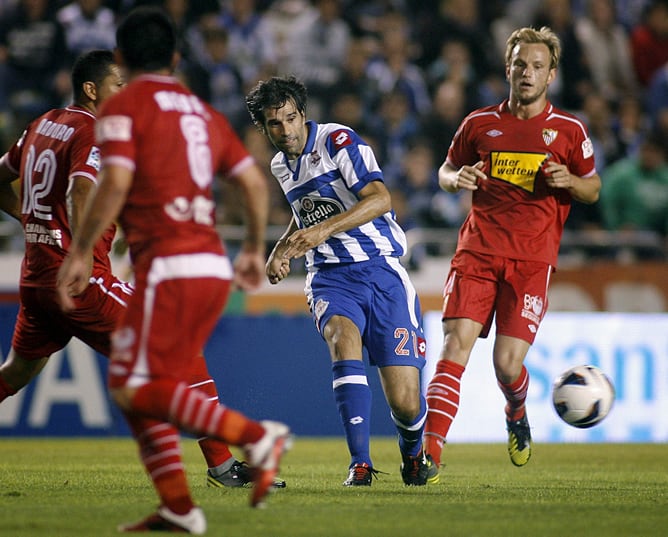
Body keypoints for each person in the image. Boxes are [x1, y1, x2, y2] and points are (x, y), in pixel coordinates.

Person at [0, 48, 286, 493]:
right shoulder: (96, 130)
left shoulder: (43, 123)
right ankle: (222, 465)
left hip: (36, 280)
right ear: (93, 90)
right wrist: (79, 248)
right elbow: (81, 189)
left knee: (15, 372)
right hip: (82, 282)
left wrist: (30, 221)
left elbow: (1, 177)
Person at [56, 8, 291, 533]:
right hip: (211, 264)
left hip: (168, 265)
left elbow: (112, 182)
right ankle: (179, 508)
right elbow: (252, 182)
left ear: (121, 58)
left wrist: (80, 251)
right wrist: (253, 248)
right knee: (142, 383)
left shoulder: (124, 106)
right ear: (177, 58)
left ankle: (252, 436)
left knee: (131, 384)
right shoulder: (197, 109)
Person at [422, 26, 601, 477]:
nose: (527, 73)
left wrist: (571, 183)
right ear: (508, 68)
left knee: (506, 364)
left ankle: (516, 412)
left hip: (531, 261)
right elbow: (446, 169)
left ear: (551, 75)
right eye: (521, 64)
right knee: (454, 347)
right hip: (477, 252)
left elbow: (593, 188)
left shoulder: (568, 129)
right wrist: (455, 178)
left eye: (537, 66)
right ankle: (428, 455)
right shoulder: (479, 123)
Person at [245, 75, 437, 487]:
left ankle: (413, 451)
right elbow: (308, 213)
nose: (286, 131)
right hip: (330, 278)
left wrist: (322, 231)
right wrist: (283, 248)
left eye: (291, 119)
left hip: (382, 273)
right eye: (274, 124)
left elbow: (381, 198)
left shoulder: (338, 141)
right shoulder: (281, 164)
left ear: (303, 114)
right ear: (263, 128)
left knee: (405, 402)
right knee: (341, 340)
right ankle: (360, 462)